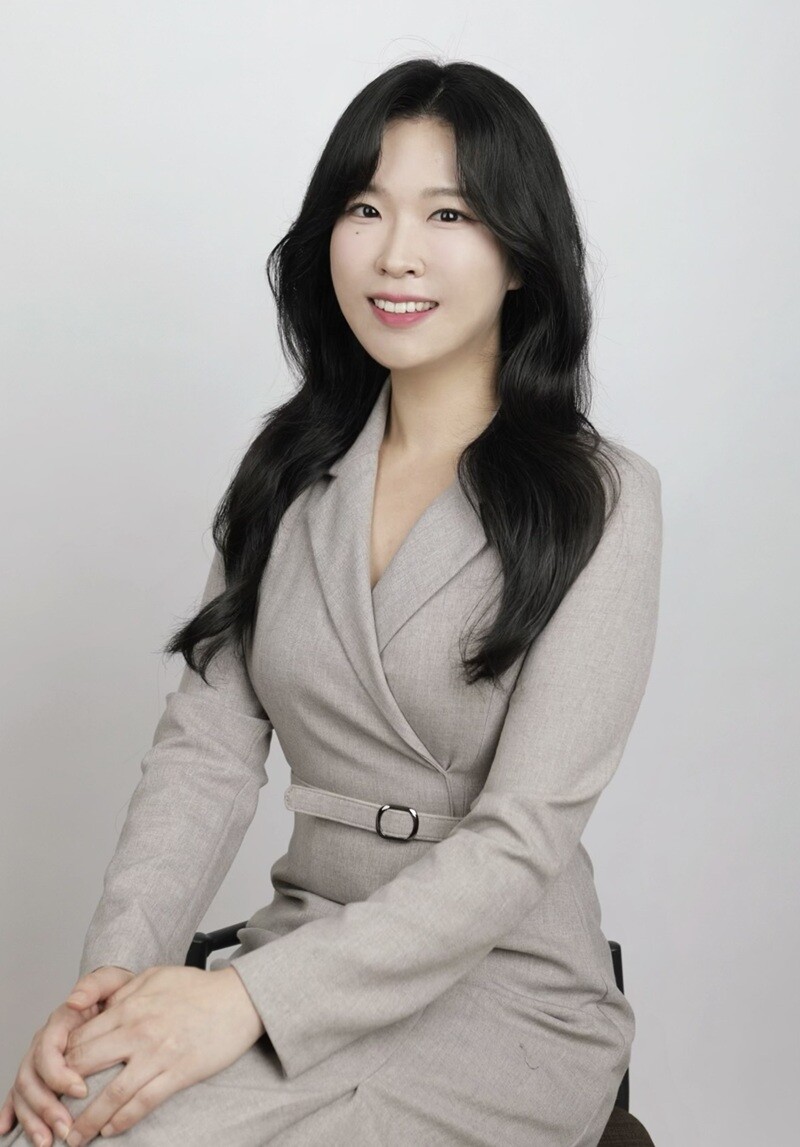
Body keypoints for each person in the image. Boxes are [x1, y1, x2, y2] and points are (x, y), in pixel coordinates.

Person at [1, 56, 663, 1146]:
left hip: (502, 992)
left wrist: (244, 1000)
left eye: (448, 213)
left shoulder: (600, 498)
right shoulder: (286, 472)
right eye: (365, 207)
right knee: (61, 1124)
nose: (396, 252)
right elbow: (206, 753)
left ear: (519, 254)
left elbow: (520, 838)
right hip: (301, 940)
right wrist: (113, 981)